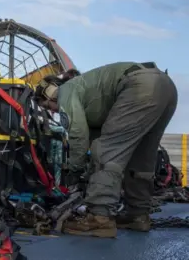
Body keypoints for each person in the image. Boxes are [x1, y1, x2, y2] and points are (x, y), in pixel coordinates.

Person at [34, 62, 177, 238]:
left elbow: (78, 136)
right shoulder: (90, 96)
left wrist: (74, 170)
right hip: (166, 87)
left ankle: (99, 219)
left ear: (51, 93)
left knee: (106, 151)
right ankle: (138, 215)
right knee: (142, 157)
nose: (54, 113)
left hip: (140, 87)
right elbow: (95, 136)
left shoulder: (66, 91)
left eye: (49, 107)